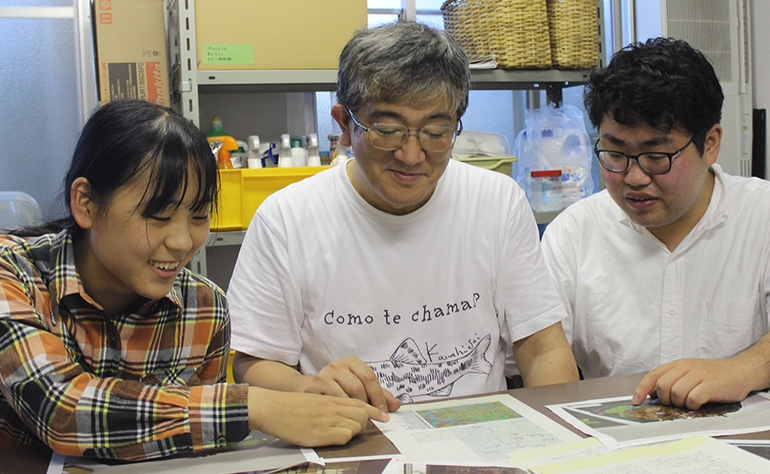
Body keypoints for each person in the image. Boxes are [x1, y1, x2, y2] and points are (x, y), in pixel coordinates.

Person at [0, 99, 386, 461]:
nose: (181, 242)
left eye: (198, 217)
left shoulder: (205, 306)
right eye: (157, 217)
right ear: (85, 203)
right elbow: (62, 409)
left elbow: (197, 448)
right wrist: (252, 404)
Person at [227, 21, 578, 410]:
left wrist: (560, 441)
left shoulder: (497, 202)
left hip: (479, 436)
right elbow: (255, 362)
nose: (412, 156)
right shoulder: (286, 219)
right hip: (350, 437)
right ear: (344, 125)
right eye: (388, 131)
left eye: (435, 132)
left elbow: (544, 348)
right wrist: (306, 390)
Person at [540, 38, 770, 410]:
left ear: (710, 143)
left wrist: (739, 370)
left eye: (656, 156)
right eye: (615, 153)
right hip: (621, 440)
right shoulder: (573, 232)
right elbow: (542, 350)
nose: (634, 177)